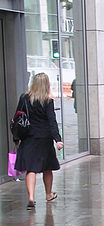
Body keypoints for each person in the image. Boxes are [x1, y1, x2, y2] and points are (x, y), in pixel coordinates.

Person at [14, 72, 63, 210]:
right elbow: (52, 122)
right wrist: (57, 140)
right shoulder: (47, 101)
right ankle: (48, 194)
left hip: (29, 137)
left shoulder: (24, 98)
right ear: (46, 84)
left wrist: (16, 137)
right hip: (44, 138)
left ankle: (31, 197)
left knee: (31, 169)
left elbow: (18, 117)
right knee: (47, 168)